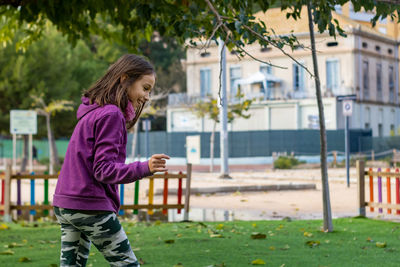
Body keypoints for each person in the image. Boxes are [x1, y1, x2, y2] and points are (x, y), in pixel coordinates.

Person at [53, 54, 170, 267]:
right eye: (145, 88)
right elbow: (103, 170)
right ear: (125, 78)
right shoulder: (111, 115)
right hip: (89, 205)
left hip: (66, 204)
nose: (146, 97)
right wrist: (145, 167)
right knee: (126, 264)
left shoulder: (93, 113)